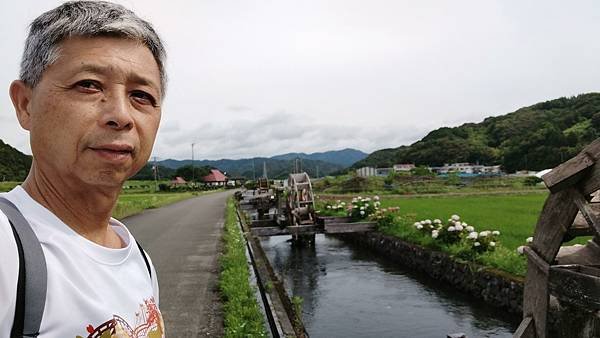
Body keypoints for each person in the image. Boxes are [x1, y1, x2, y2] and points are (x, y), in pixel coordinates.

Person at [0, 1, 167, 337]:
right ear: (25, 104)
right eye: (88, 85)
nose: (121, 115)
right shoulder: (7, 248)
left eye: (141, 95)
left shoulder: (140, 262)